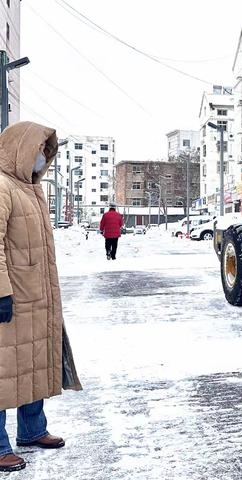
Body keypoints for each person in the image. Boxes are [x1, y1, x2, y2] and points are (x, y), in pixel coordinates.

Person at [0, 122, 82, 472]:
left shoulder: (31, 189)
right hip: (13, 299)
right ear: (20, 148)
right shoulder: (2, 186)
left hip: (35, 298)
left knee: (31, 364)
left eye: (46, 153)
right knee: (3, 371)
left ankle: (33, 430)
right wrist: (1, 292)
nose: (42, 158)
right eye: (38, 150)